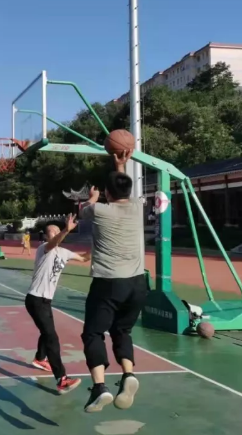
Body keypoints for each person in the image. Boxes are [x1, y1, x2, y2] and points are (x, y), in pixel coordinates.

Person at [79, 149, 147, 413]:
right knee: (122, 331)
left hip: (108, 282)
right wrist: (121, 165)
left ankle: (99, 387)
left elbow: (83, 210)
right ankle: (128, 374)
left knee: (93, 333)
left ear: (106, 193)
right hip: (137, 283)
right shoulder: (138, 207)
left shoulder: (98, 210)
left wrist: (92, 197)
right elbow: (122, 190)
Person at [25, 214, 89, 395]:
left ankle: (40, 358)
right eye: (51, 232)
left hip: (45, 301)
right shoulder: (44, 248)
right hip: (35, 299)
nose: (55, 234)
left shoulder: (64, 252)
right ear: (46, 236)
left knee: (47, 332)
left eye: (57, 231)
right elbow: (54, 242)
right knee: (52, 337)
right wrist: (66, 230)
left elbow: (84, 258)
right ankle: (62, 379)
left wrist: (100, 244)